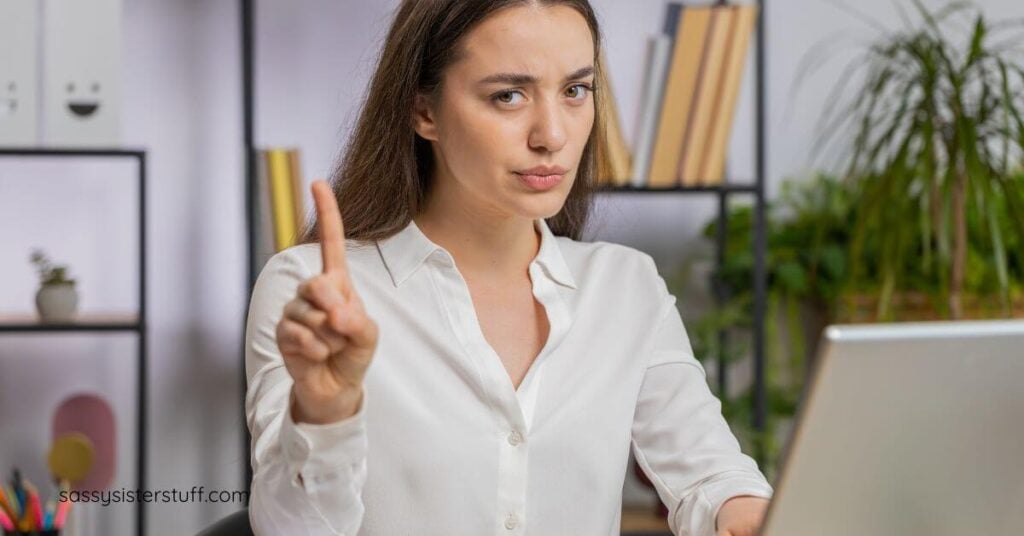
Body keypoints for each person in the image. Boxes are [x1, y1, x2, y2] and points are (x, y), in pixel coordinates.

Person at [244, 1, 773, 534]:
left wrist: (746, 512)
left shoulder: (626, 287)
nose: (552, 136)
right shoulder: (313, 292)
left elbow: (711, 477)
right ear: (424, 111)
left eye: (575, 91)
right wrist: (325, 412)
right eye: (508, 96)